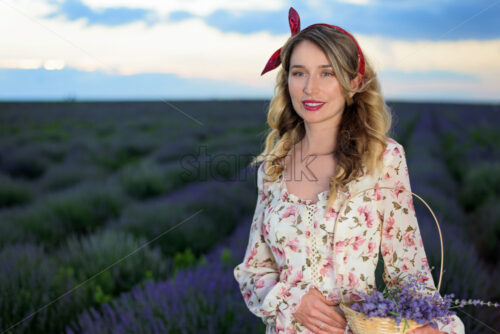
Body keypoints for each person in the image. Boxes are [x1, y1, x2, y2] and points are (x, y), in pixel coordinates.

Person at [233, 7, 465, 334]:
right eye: (299, 73)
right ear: (286, 81)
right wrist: (292, 299)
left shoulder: (383, 158)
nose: (310, 88)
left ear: (353, 82)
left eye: (326, 73)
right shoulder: (274, 167)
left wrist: (427, 325)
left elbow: (408, 271)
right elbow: (254, 270)